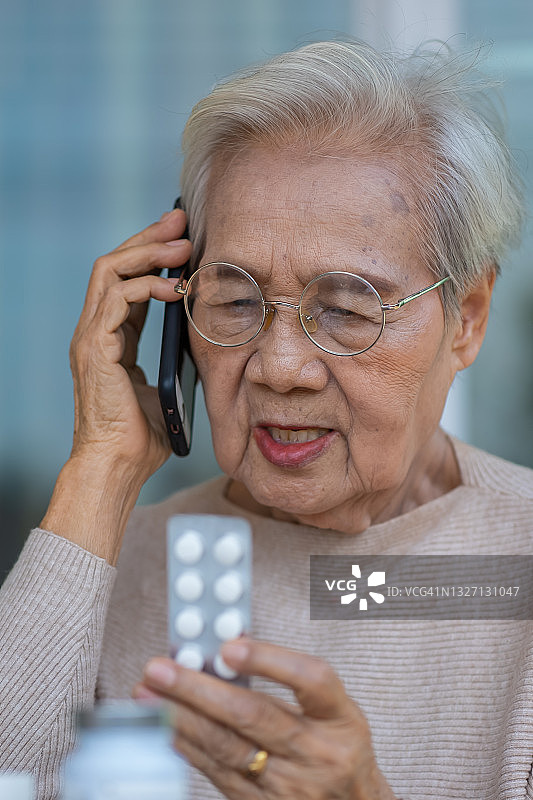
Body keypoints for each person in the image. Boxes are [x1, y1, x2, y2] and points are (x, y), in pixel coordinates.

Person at [1, 38, 532, 800]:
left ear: (467, 318)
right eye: (236, 301)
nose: (280, 367)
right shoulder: (101, 567)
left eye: (348, 308)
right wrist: (102, 469)